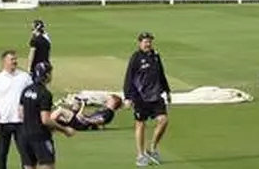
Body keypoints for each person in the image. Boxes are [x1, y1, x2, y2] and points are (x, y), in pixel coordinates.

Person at [123, 32, 171, 167]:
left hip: (156, 96)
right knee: (140, 124)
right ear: (140, 43)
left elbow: (161, 73)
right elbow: (128, 78)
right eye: (145, 42)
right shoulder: (136, 58)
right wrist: (127, 97)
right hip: (141, 97)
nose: (148, 44)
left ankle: (152, 148)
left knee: (163, 121)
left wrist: (167, 90)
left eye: (149, 42)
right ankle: (140, 155)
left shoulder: (155, 56)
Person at [19, 62, 75, 169]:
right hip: (40, 137)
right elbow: (45, 120)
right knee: (47, 165)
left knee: (28, 166)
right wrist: (64, 130)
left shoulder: (26, 90)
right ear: (47, 75)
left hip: (24, 136)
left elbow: (21, 114)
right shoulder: (45, 94)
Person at [0, 50, 33, 169]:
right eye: (12, 59)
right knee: (2, 153)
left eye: (15, 59)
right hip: (4, 121)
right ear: (4, 61)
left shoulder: (25, 77)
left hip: (21, 122)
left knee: (25, 153)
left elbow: (32, 96)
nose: (15, 61)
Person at [53, 95, 123, 131]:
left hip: (81, 123)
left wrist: (85, 119)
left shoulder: (109, 113)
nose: (107, 100)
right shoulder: (105, 110)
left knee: (61, 110)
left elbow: (99, 121)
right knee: (76, 103)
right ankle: (50, 124)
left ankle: (47, 124)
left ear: (113, 103)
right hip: (81, 121)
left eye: (110, 100)